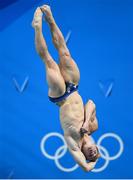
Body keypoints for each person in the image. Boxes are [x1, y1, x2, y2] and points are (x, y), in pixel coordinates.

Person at [32, 5, 100, 171]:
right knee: (64, 52)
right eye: (96, 152)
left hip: (60, 97)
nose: (93, 152)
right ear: (97, 145)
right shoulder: (93, 128)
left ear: (83, 152)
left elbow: (87, 168)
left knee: (48, 60)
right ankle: (50, 19)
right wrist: (85, 123)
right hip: (73, 87)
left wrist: (93, 162)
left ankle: (37, 27)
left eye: (90, 155)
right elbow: (91, 103)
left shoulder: (74, 144)